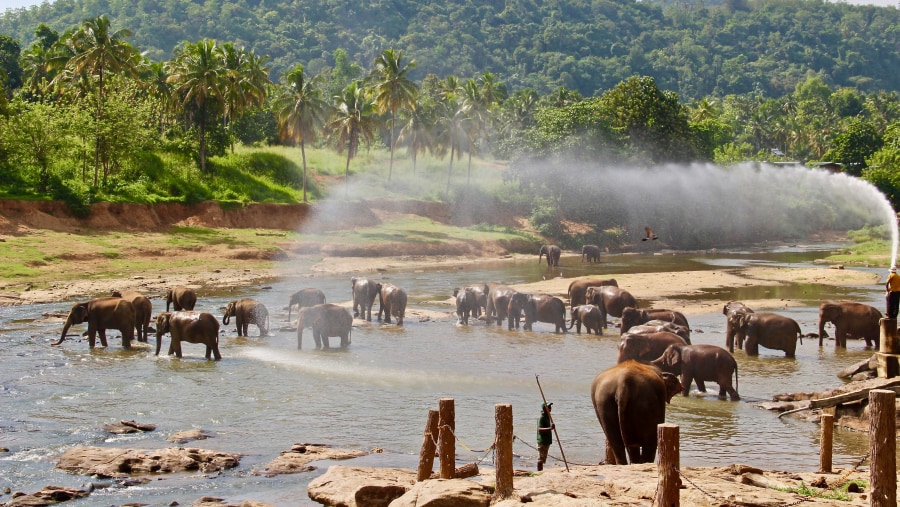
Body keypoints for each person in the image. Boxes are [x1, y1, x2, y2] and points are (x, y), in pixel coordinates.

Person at [536, 402, 554, 471]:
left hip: (547, 441)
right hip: (542, 441)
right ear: (544, 408)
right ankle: (539, 472)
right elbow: (539, 429)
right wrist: (550, 428)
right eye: (548, 407)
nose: (550, 408)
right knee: (540, 459)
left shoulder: (548, 416)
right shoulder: (542, 417)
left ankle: (540, 471)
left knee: (543, 459)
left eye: (550, 407)